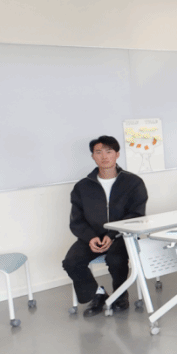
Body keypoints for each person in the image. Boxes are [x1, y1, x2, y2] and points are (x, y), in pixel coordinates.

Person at [63, 136, 148, 317]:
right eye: (98, 152)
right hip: (92, 236)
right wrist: (90, 237)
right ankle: (98, 295)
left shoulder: (133, 183)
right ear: (93, 156)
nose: (104, 156)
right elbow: (76, 220)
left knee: (116, 259)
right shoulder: (82, 187)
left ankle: (120, 295)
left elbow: (137, 215)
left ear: (117, 154)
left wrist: (112, 235)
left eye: (109, 151)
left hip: (122, 235)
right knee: (71, 261)